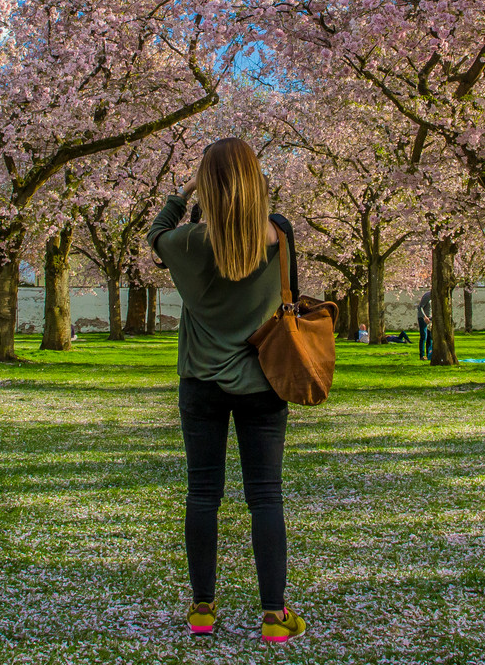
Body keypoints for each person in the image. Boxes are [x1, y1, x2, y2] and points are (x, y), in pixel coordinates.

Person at [147, 137, 307, 644]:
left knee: (202, 494)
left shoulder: (188, 243)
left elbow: (155, 234)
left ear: (206, 184)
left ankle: (201, 610)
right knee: (266, 497)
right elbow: (293, 296)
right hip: (264, 382)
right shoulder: (278, 235)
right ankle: (273, 616)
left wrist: (185, 191)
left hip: (201, 382)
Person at [417, 291, 433, 359]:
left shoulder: (436, 297)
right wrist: (424, 317)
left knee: (430, 337)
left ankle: (429, 354)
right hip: (423, 318)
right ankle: (422, 355)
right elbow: (420, 307)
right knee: (424, 336)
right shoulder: (427, 296)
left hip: (430, 318)